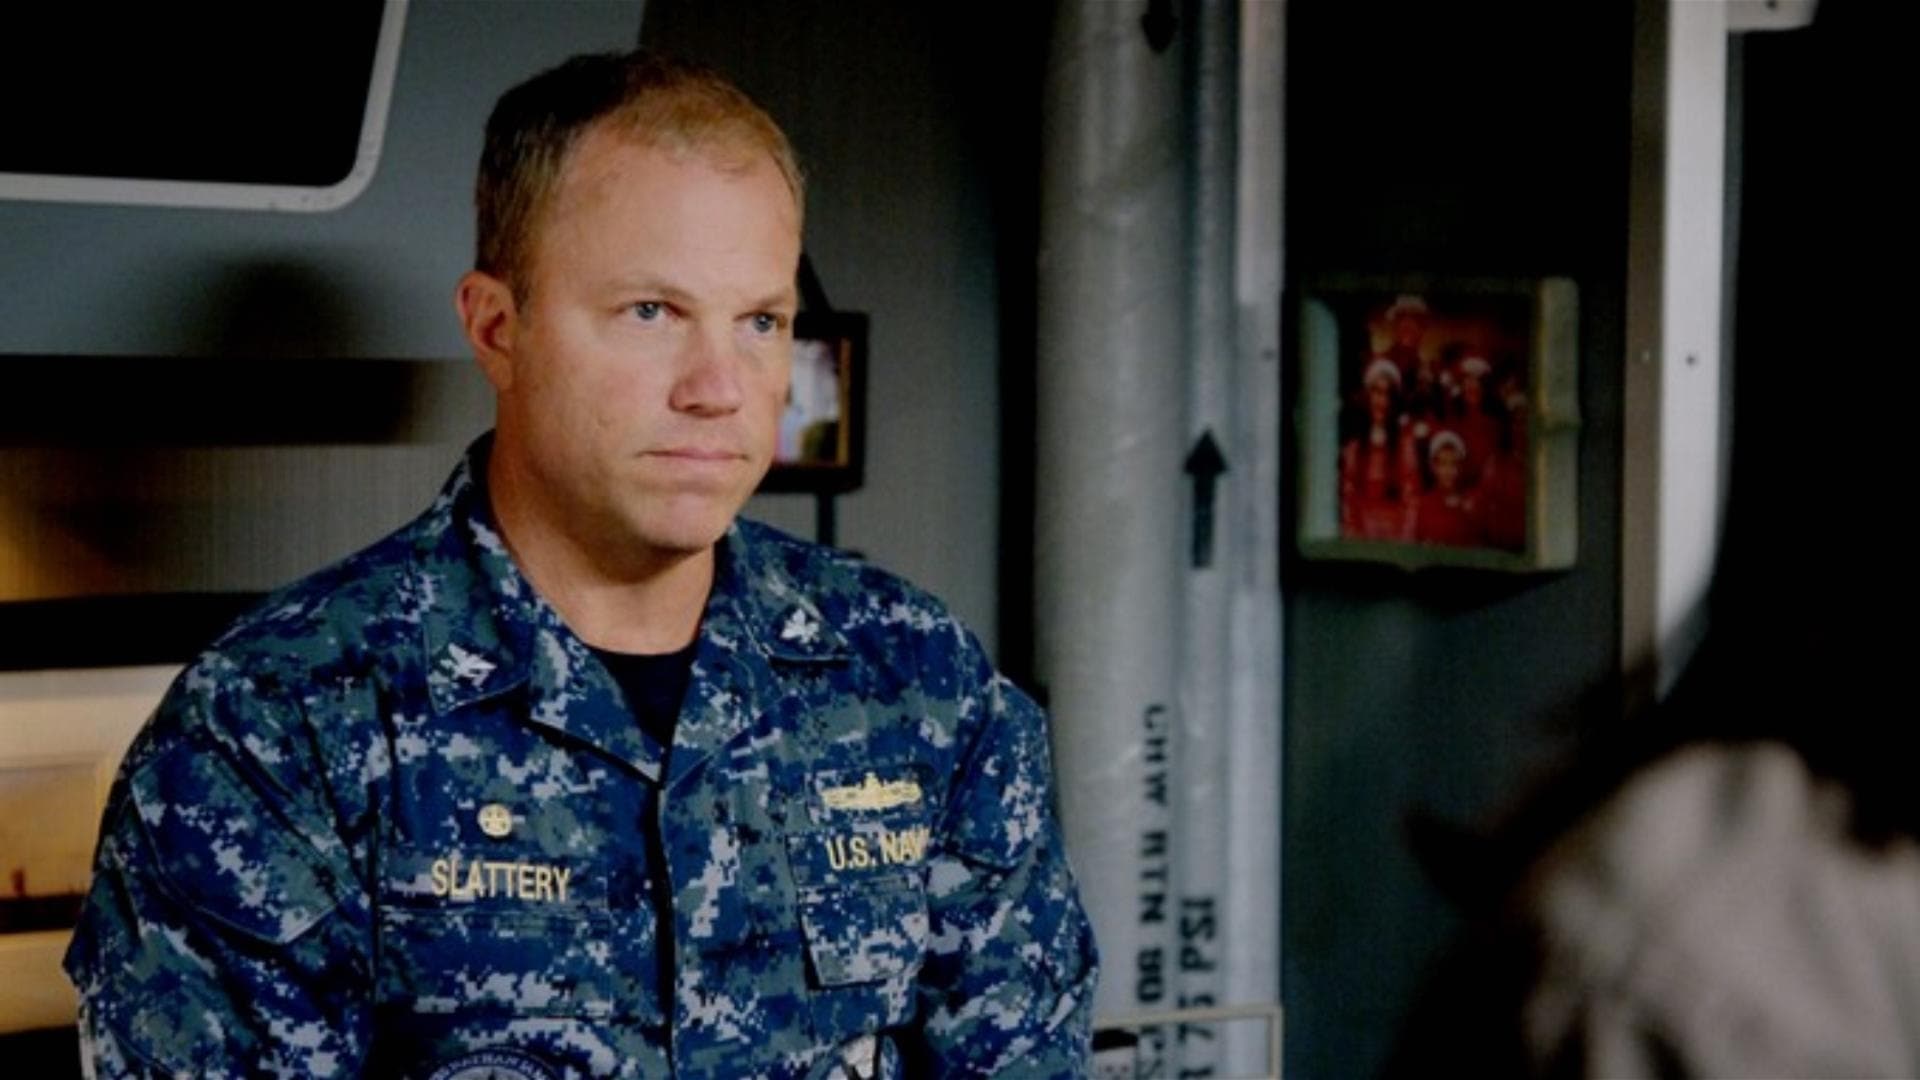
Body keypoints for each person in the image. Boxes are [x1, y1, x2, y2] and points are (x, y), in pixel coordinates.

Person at [63, 50, 1097, 1079]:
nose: (719, 388)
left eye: (761, 322)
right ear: (496, 328)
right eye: (652, 312)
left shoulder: (917, 682)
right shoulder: (276, 726)